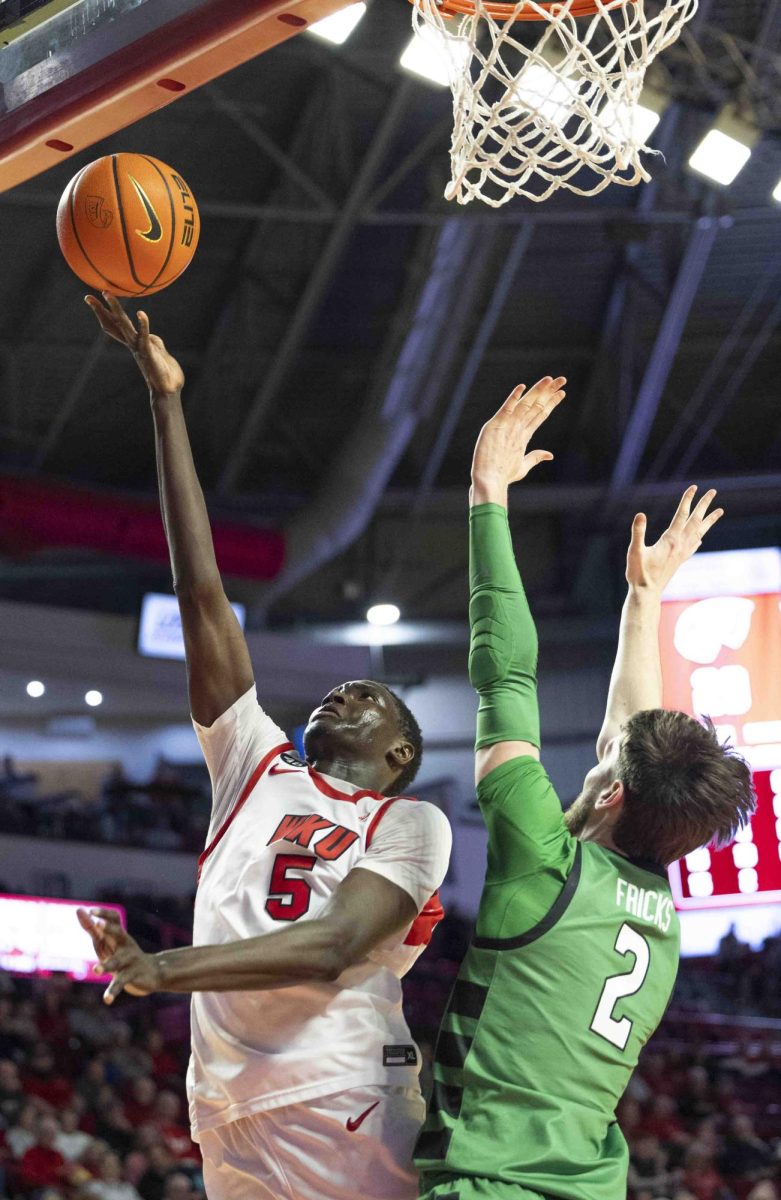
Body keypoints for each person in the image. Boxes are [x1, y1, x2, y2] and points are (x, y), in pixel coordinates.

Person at [77, 293, 452, 1200]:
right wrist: (166, 401)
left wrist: (161, 968)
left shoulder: (410, 823)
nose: (342, 692)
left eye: (370, 697)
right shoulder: (254, 761)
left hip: (344, 1096)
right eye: (337, 686)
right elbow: (201, 592)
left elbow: (328, 946)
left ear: (400, 752)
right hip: (228, 1110)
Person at [415, 378, 755, 1200]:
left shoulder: (543, 860)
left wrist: (486, 497)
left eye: (605, 761)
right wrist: (644, 600)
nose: (601, 749)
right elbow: (629, 750)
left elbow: (506, 672)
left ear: (608, 795)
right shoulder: (660, 912)